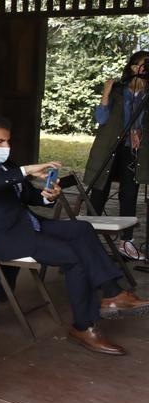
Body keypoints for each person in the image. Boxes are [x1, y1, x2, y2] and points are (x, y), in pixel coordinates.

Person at [0, 113, 149, 355]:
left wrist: (47, 196)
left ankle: (112, 293)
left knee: (82, 228)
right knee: (73, 257)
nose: (7, 147)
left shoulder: (9, 165)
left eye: (8, 141)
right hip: (6, 238)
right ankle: (84, 326)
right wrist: (26, 170)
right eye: (0, 142)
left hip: (28, 224)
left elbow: (27, 196)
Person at [84, 50, 149, 261]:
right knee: (99, 191)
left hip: (134, 151)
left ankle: (126, 241)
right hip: (109, 148)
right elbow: (101, 118)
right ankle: (87, 239)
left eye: (145, 66)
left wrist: (140, 133)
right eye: (138, 65)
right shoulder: (118, 91)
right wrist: (106, 92)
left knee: (129, 194)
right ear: (131, 67)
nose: (141, 69)